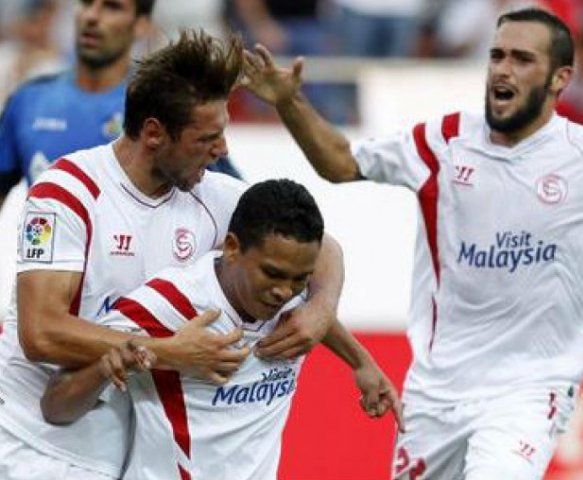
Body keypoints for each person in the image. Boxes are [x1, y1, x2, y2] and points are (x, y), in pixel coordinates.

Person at [242, 7, 583, 479]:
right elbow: (340, 163)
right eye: (497, 56)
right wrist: (290, 103)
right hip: (437, 391)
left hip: (529, 390)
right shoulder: (444, 141)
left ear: (560, 78)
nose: (503, 69)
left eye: (522, 59)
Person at [0, 28, 344, 480]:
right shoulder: (67, 194)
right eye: (208, 138)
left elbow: (322, 247)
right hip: (31, 439)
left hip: (116, 446)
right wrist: (168, 352)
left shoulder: (212, 195)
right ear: (154, 133)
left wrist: (321, 308)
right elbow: (40, 332)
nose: (222, 149)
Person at [40, 178, 403, 480]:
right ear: (232, 248)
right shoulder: (169, 306)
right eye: (272, 274)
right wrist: (107, 368)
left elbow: (314, 315)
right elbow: (55, 406)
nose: (284, 291)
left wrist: (361, 362)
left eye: (300, 279)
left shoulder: (297, 308)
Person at [0, 0, 241, 210]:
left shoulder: (165, 102)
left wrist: (271, 103)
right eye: (86, 3)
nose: (92, 16)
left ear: (141, 25)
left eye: (112, 6)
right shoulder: (28, 100)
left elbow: (238, 208)